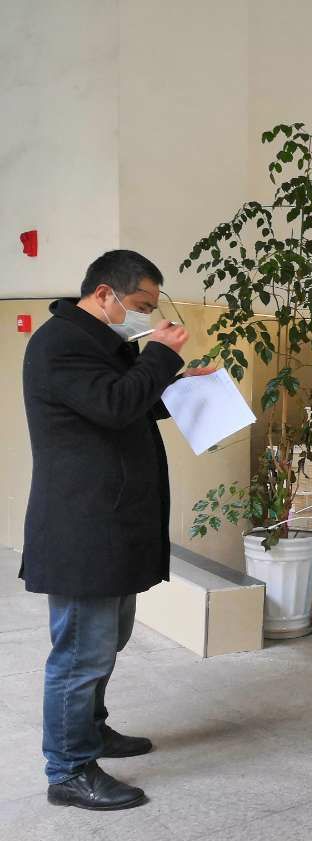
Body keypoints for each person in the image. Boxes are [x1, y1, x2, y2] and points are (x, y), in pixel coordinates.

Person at [22, 250, 210, 810]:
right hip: (83, 525)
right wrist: (161, 355)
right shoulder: (60, 343)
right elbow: (112, 404)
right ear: (104, 294)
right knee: (81, 654)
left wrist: (181, 385)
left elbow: (131, 405)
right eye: (141, 304)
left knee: (107, 642)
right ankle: (69, 769)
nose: (149, 316)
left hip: (111, 520)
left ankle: (91, 729)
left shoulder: (101, 343)